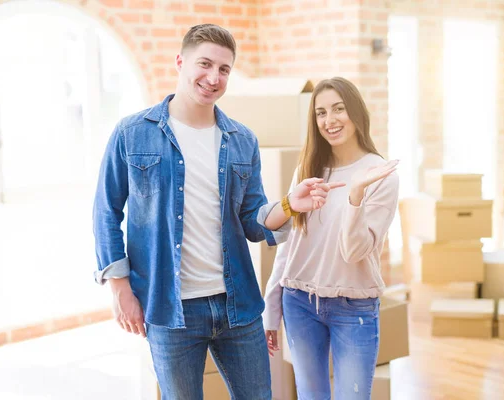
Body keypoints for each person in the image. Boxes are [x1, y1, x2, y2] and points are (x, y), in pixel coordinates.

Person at [92, 24, 342, 400]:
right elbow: (106, 212)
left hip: (237, 305)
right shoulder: (132, 133)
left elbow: (253, 221)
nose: (213, 78)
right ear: (180, 62)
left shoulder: (242, 140)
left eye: (224, 69)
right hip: (168, 308)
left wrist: (291, 204)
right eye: (204, 64)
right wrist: (120, 288)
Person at [262, 77, 400, 400]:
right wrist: (271, 306)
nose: (329, 120)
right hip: (299, 302)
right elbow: (291, 244)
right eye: (321, 113)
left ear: (355, 112)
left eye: (338, 109)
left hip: (354, 307)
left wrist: (355, 196)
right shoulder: (309, 168)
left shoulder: (380, 175)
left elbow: (355, 251)